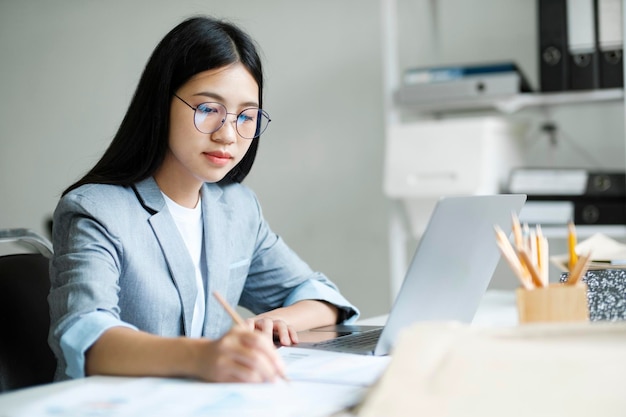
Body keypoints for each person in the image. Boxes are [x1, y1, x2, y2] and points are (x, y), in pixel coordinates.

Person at [48, 15, 359, 384]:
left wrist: (277, 321)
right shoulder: (95, 211)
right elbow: (87, 336)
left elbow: (323, 297)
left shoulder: (237, 208)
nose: (228, 135)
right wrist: (206, 355)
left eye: (246, 116)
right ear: (161, 104)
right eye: (208, 109)